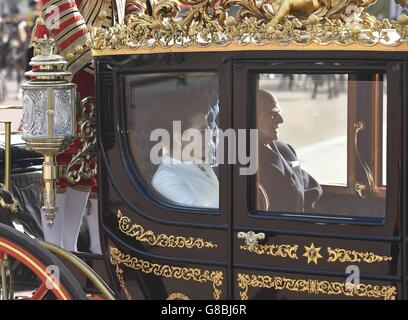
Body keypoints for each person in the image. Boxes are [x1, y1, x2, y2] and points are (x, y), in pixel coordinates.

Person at [31, 0, 147, 253]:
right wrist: (93, 55)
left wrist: (131, 39)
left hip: (106, 59)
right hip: (65, 57)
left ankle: (75, 248)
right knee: (61, 154)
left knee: (89, 158)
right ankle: (55, 252)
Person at [256, 89, 322, 212]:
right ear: (252, 117)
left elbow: (309, 187)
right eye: (273, 114)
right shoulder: (242, 157)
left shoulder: (284, 149)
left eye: (279, 113)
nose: (281, 120)